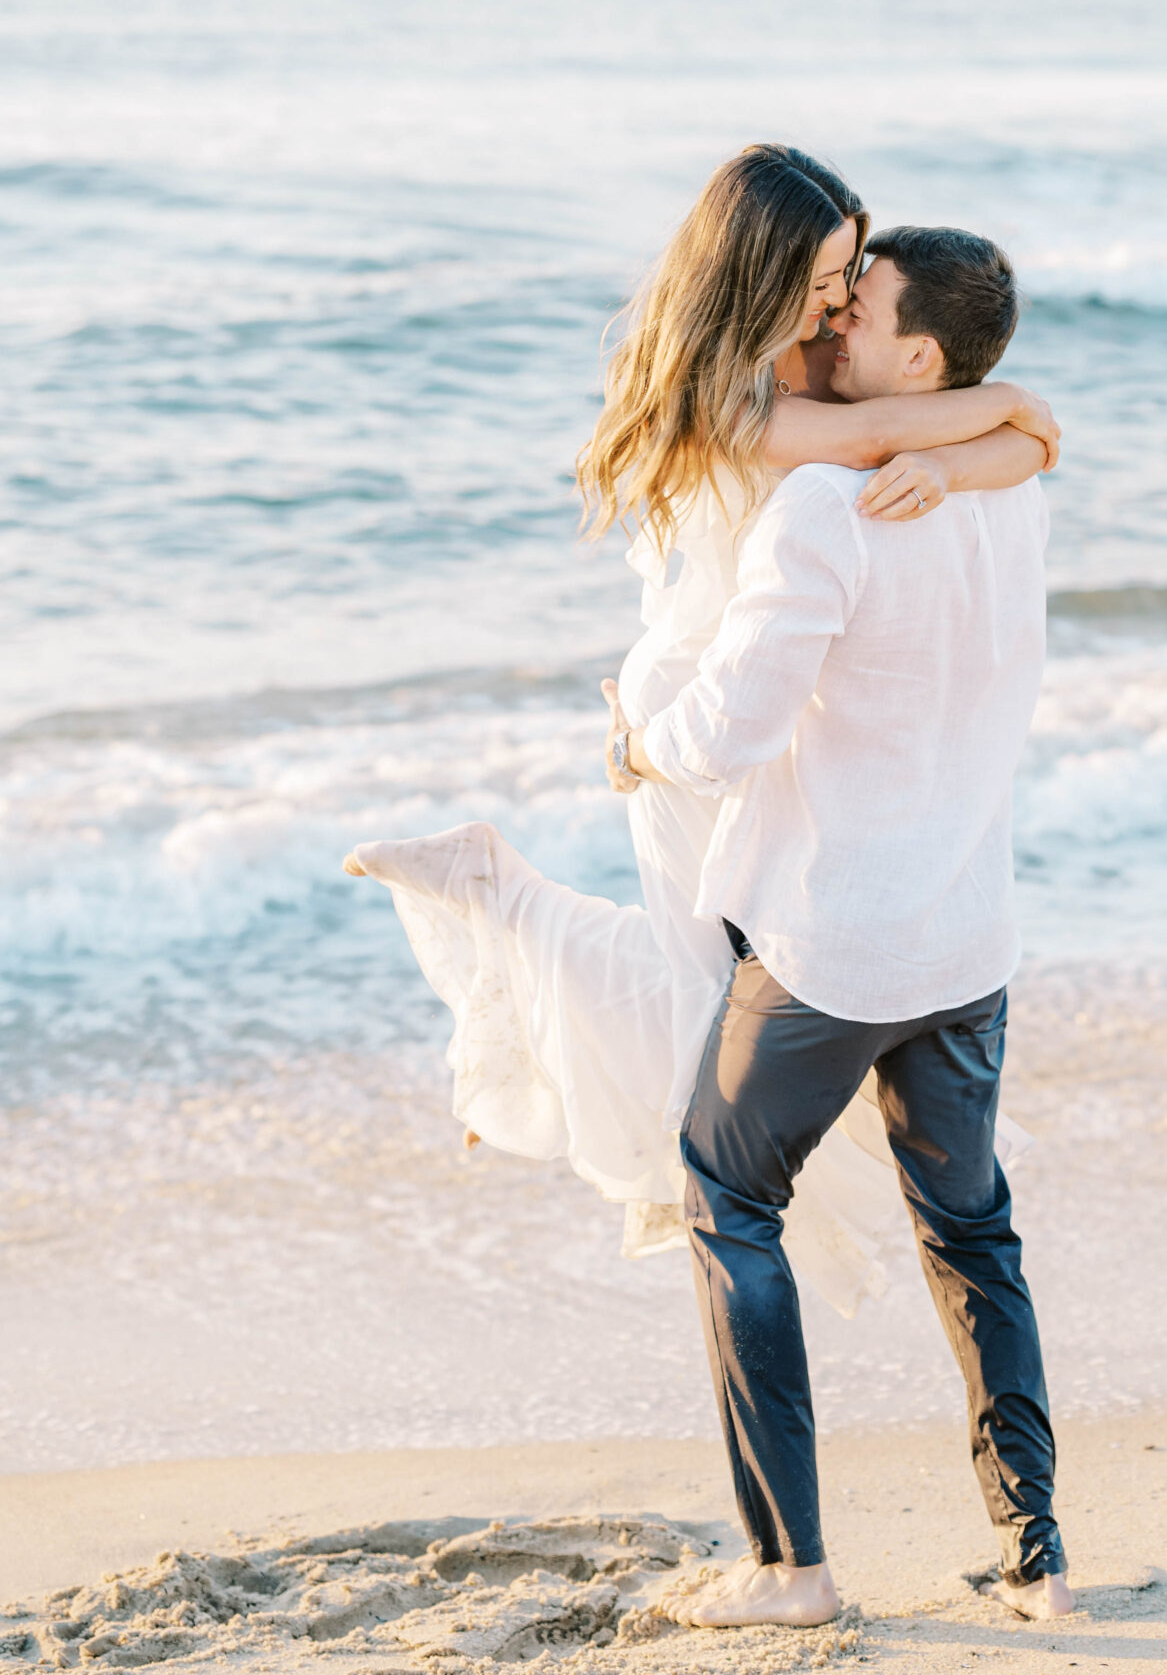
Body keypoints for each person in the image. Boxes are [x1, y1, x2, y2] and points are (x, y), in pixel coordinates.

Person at [343, 147, 1057, 1309]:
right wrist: (1010, 412)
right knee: (708, 1005)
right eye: (825, 280)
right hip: (697, 708)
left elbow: (975, 445)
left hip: (764, 697)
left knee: (725, 998)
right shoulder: (713, 394)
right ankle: (503, 917)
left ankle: (536, 973)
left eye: (847, 284)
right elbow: (875, 439)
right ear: (766, 265)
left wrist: (994, 441)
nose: (837, 307)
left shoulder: (800, 366)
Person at [602, 227, 1073, 1630]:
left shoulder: (821, 503)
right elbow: (1027, 439)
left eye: (853, 312)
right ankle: (1037, 1560)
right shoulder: (1006, 494)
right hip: (965, 937)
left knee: (726, 1195)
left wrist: (639, 740)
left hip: (830, 949)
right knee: (972, 1232)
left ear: (914, 360)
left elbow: (732, 728)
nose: (828, 329)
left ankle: (789, 1568)